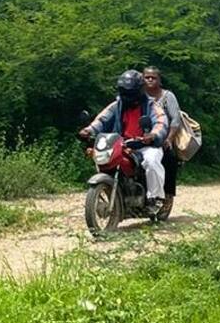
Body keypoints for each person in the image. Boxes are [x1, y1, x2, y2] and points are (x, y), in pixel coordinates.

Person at [78, 70, 169, 214]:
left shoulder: (152, 106)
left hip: (145, 145)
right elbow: (102, 119)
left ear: (139, 90)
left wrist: (152, 135)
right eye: (124, 91)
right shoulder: (117, 105)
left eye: (130, 92)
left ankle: (155, 198)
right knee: (104, 160)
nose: (127, 95)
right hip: (121, 144)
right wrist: (89, 130)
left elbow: (160, 122)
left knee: (152, 161)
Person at [142, 66, 182, 217]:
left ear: (159, 80)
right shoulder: (139, 97)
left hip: (162, 138)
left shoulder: (167, 96)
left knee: (170, 159)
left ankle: (167, 196)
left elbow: (175, 119)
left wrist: (169, 138)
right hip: (141, 138)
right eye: (147, 77)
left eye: (153, 77)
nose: (150, 80)